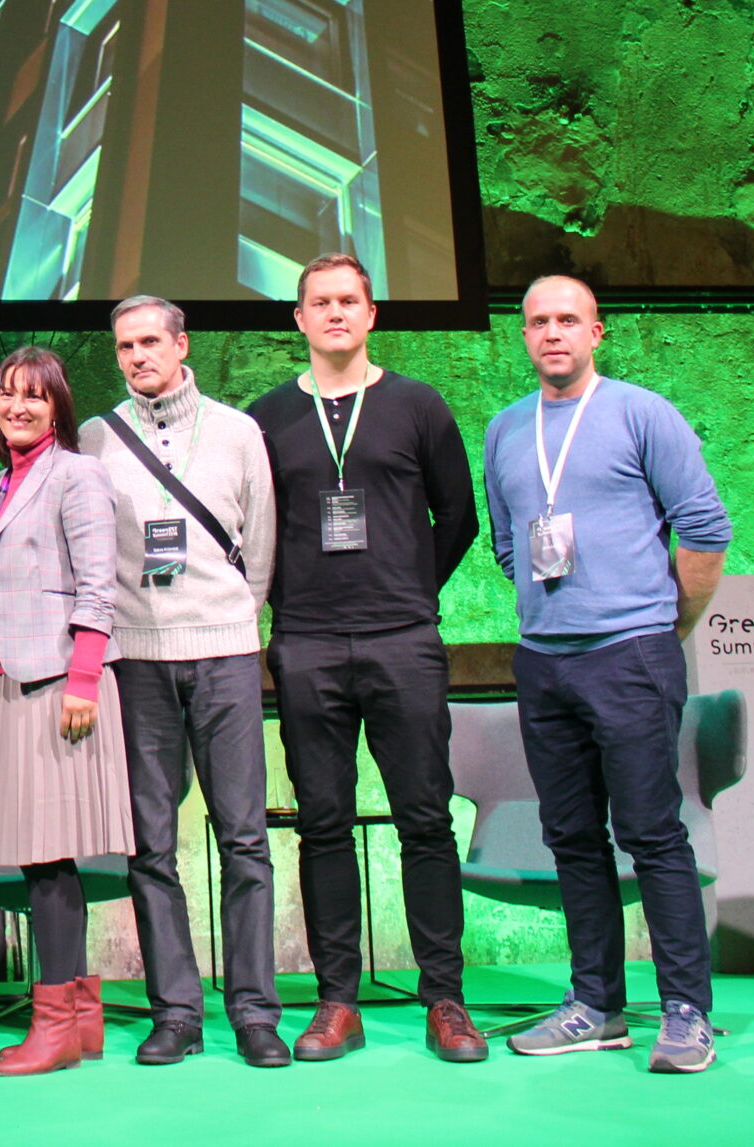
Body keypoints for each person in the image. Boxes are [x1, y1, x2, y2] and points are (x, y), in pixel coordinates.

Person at [483, 275, 730, 1075]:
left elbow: (704, 528)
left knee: (652, 833)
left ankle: (686, 1010)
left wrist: (666, 624)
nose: (552, 332)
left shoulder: (641, 413)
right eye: (538, 321)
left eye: (568, 319)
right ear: (524, 335)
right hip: (543, 660)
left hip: (631, 654)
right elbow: (509, 544)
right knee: (571, 837)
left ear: (597, 332)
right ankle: (595, 1004)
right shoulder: (505, 428)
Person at [246, 254, 485, 1063]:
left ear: (372, 313)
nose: (336, 312)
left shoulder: (418, 404)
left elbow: (458, 516)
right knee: (322, 824)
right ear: (300, 319)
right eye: (320, 302)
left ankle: (445, 998)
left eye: (349, 299)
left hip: (401, 639)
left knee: (426, 818)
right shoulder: (267, 417)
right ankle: (336, 1001)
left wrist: (409, 589)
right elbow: (252, 528)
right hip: (307, 643)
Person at [80, 295, 287, 1069]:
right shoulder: (96, 437)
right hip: (137, 660)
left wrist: (231, 619)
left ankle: (255, 1013)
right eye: (125, 345)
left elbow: (261, 545)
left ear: (181, 344)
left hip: (225, 653)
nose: (138, 355)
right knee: (151, 844)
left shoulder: (237, 430)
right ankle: (175, 1011)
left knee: (244, 838)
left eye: (149, 341)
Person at [0, 344, 133, 1077]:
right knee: (40, 857)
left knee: (49, 858)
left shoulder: (77, 474)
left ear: (57, 406)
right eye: (7, 393)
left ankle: (55, 1023)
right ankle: (81, 1020)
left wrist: (84, 679)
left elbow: (98, 584)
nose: (17, 406)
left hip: (60, 687)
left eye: (34, 394)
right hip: (5, 690)